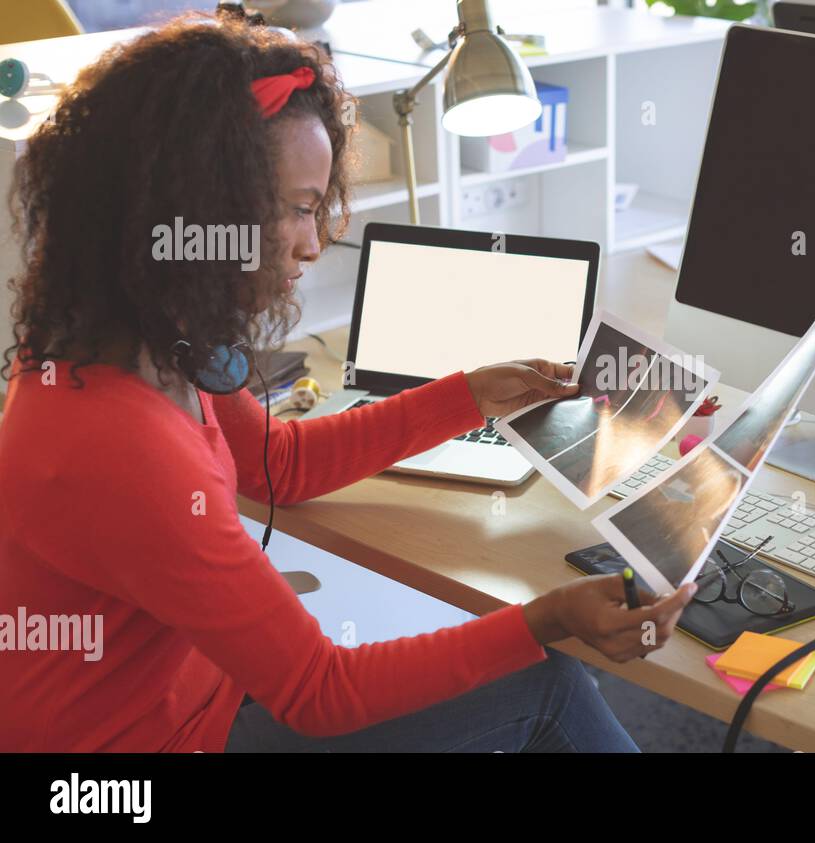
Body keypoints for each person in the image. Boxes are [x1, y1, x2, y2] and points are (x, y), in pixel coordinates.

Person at [0, 14, 693, 753]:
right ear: (202, 209)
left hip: (204, 702)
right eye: (299, 208)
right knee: (546, 683)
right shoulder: (121, 444)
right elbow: (320, 690)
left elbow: (281, 465)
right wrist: (548, 616)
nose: (315, 239)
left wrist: (469, 396)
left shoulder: (132, 340)